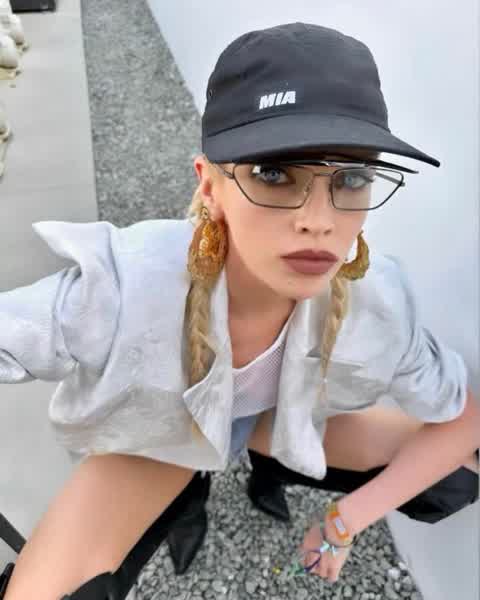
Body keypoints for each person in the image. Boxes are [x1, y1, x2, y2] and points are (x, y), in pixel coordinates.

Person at [0, 21, 478, 599]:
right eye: (274, 174)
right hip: (163, 439)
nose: (319, 221)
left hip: (279, 423)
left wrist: (347, 519)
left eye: (351, 178)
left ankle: (268, 467)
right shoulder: (123, 288)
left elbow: (464, 417)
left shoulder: (379, 303)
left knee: (455, 476)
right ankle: (187, 496)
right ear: (210, 185)